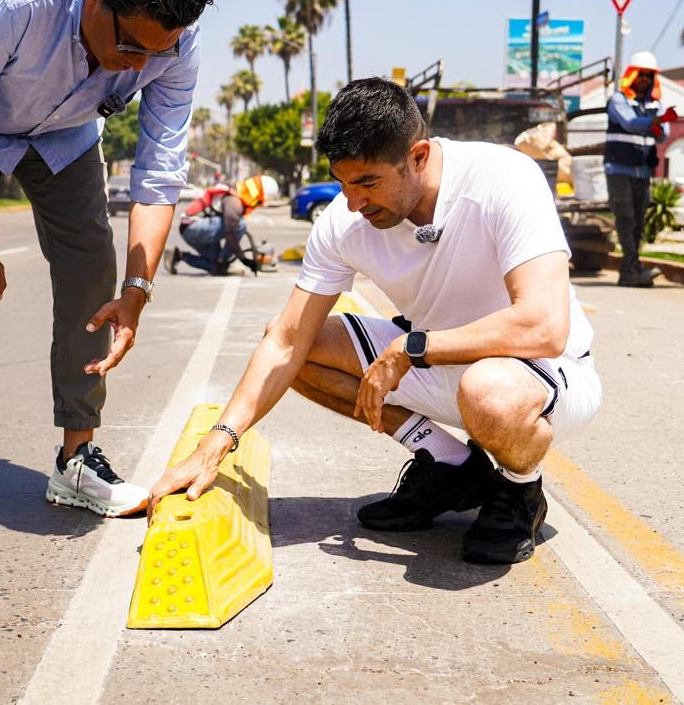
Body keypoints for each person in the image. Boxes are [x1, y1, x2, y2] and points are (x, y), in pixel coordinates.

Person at [149, 78, 601, 565]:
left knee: (487, 390)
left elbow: (544, 328)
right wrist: (215, 447)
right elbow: (285, 343)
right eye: (343, 183)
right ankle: (451, 466)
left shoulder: (502, 177)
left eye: (367, 182)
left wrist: (410, 348)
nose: (354, 203)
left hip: (544, 376)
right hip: (439, 366)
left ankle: (519, 489)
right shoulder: (345, 221)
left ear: (419, 157)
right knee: (297, 347)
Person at [0, 0, 213, 547]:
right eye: (130, 47)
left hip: (63, 129)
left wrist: (138, 288)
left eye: (156, 54)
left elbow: (158, 171)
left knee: (94, 270)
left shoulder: (172, 41)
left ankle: (77, 460)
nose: (138, 66)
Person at [605, 51, 677, 287]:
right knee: (625, 218)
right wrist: (656, 121)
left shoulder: (655, 105)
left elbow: (662, 136)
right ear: (632, 75)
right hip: (619, 170)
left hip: (642, 172)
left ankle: (629, 274)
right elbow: (630, 123)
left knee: (638, 221)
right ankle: (634, 268)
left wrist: (660, 125)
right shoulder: (619, 100)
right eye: (642, 74)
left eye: (650, 75)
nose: (645, 79)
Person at [167, 175, 279, 275]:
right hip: (192, 226)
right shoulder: (234, 201)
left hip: (194, 229)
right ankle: (223, 259)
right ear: (257, 198)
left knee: (218, 269)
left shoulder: (237, 194)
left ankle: (179, 255)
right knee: (240, 225)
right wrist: (244, 260)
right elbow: (230, 234)